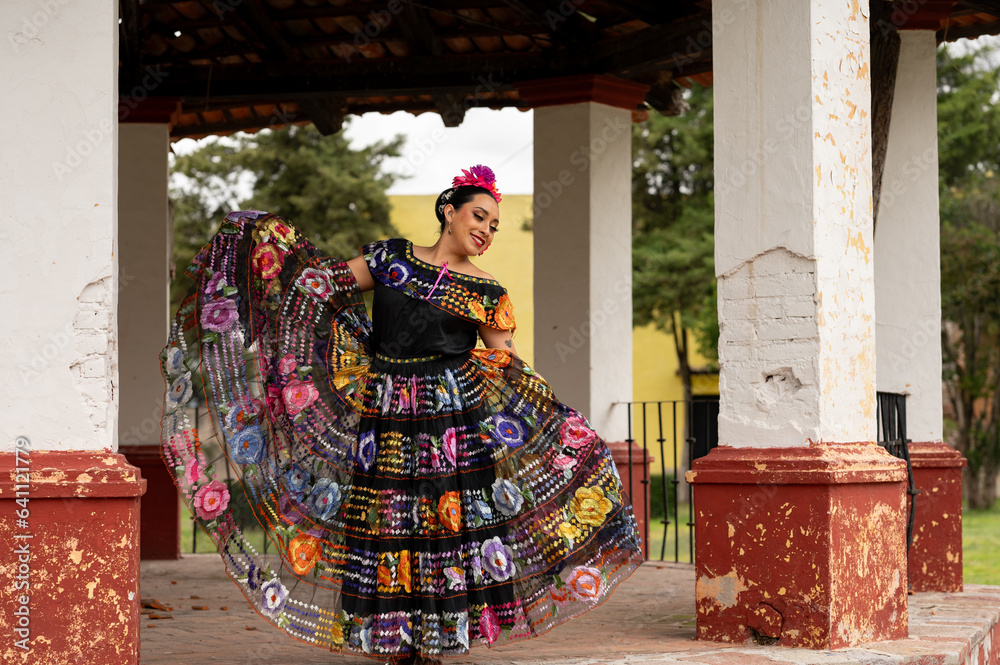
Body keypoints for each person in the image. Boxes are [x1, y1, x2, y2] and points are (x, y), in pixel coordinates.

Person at [159, 164, 643, 664]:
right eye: (479, 216)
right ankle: (391, 639)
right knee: (387, 520)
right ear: (448, 212)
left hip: (449, 424)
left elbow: (506, 359)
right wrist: (268, 257)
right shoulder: (392, 259)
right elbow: (321, 290)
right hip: (386, 412)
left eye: (494, 225)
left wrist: (551, 417)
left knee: (440, 523)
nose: (486, 230)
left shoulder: (486, 291)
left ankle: (435, 639)